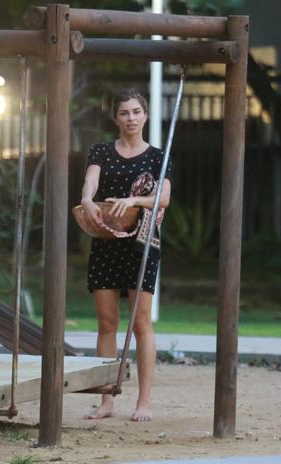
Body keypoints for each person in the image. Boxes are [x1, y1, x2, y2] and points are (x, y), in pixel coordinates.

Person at [79, 89, 172, 422]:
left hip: (142, 243)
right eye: (124, 113)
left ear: (145, 115)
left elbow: (162, 199)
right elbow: (91, 182)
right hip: (106, 240)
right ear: (115, 118)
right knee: (106, 323)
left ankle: (143, 402)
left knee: (141, 324)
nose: (130, 118)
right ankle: (106, 401)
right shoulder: (101, 151)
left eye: (136, 112)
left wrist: (133, 201)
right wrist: (88, 199)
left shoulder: (158, 156)